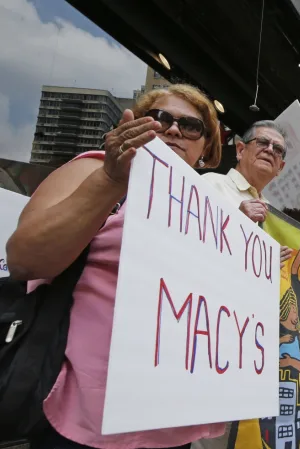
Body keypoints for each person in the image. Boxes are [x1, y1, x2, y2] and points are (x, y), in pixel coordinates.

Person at [6, 84, 225, 448]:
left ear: (205, 149)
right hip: (85, 416)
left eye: (190, 126)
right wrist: (109, 181)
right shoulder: (96, 169)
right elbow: (26, 259)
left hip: (172, 419)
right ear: (136, 125)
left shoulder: (212, 216)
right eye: (160, 118)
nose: (173, 130)